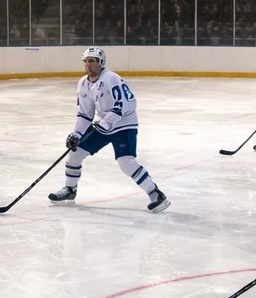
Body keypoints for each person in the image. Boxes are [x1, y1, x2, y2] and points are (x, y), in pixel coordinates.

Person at [49, 47, 168, 212]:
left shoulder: (111, 79)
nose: (88, 64)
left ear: (100, 63)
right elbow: (85, 113)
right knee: (75, 154)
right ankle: (70, 190)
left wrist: (105, 124)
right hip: (104, 124)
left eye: (92, 61)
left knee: (126, 163)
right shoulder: (83, 83)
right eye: (86, 61)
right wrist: (76, 134)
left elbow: (123, 105)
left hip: (124, 124)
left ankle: (156, 194)